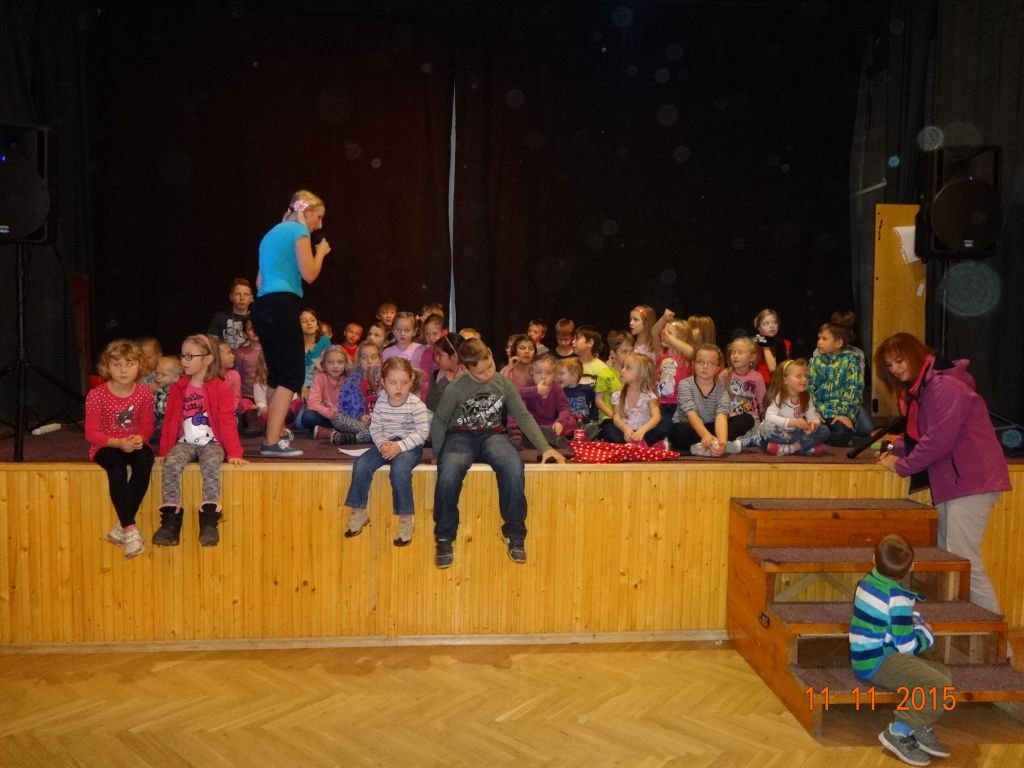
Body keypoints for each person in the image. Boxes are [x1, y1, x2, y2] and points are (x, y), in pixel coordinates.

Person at [874, 332, 1011, 615]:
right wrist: (893, 448)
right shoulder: (925, 388)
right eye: (889, 365)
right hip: (955, 483)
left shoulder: (943, 385)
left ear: (915, 355)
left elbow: (938, 440)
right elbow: (923, 436)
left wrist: (900, 466)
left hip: (972, 481)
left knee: (964, 563)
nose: (895, 369)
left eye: (899, 360)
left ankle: (996, 635)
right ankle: (964, 630)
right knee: (952, 560)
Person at [430, 338, 566, 568]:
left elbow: (523, 416)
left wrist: (545, 447)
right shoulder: (456, 388)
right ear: (466, 368)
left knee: (513, 464)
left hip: (491, 435)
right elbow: (439, 421)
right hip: (459, 436)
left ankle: (515, 533)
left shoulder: (502, 382)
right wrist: (438, 452)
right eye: (480, 372)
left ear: (491, 354)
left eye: (490, 366)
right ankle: (444, 536)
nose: (488, 374)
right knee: (449, 470)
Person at [849, 534, 952, 765]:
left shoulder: (868, 583)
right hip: (879, 661)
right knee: (939, 684)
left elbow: (886, 617)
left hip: (865, 656)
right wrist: (926, 633)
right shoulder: (897, 598)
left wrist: (909, 618)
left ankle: (917, 724)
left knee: (943, 673)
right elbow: (908, 647)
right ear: (912, 567)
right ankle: (898, 730)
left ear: (873, 559)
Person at [253, 189, 330, 457]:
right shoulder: (298, 231)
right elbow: (309, 274)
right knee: (292, 375)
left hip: (263, 306)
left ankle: (274, 433)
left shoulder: (271, 233)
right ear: (305, 211)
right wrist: (320, 253)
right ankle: (271, 441)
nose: (319, 224)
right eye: (318, 217)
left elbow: (260, 282)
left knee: (277, 374)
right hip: (282, 305)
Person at [155, 333, 246, 547]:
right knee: (172, 464)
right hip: (185, 443)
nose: (184, 361)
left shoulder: (219, 387)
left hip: (211, 443)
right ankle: (170, 523)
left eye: (190, 356)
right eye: (183, 356)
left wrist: (234, 453)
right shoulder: (179, 387)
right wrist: (164, 451)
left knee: (211, 464)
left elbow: (227, 422)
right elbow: (170, 421)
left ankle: (209, 522)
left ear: (207, 359)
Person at [343, 358, 430, 546]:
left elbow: (422, 433)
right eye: (392, 382)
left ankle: (406, 520)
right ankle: (358, 512)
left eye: (404, 383)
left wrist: (399, 447)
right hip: (386, 444)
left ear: (411, 381)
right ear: (383, 382)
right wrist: (382, 444)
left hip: (409, 446)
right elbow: (375, 428)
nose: (398, 388)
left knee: (399, 470)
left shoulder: (416, 404)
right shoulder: (381, 401)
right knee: (361, 464)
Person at [85, 339, 155, 559]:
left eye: (130, 364)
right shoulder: (96, 395)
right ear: (107, 366)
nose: (123, 370)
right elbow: (91, 433)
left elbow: (147, 426)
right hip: (106, 445)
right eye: (117, 365)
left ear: (139, 366)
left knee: (145, 462)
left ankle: (121, 526)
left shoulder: (144, 393)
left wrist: (139, 438)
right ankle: (130, 529)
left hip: (133, 443)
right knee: (116, 470)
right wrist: (117, 443)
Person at [670, 344, 754, 456]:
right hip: (691, 427)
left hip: (712, 428)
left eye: (711, 363)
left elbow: (721, 417)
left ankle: (713, 446)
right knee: (679, 430)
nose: (705, 366)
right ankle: (711, 444)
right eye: (700, 362)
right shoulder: (685, 384)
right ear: (693, 364)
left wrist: (721, 443)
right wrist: (706, 436)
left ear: (718, 368)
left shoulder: (722, 391)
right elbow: (691, 414)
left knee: (747, 419)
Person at [807, 321, 864, 447]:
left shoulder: (850, 360)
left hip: (839, 413)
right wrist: (813, 412)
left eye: (824, 339)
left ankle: (825, 439)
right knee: (806, 428)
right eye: (819, 338)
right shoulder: (815, 362)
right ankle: (821, 438)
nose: (819, 342)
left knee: (842, 433)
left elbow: (853, 389)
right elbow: (810, 388)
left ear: (838, 343)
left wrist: (843, 414)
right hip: (819, 413)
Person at [759, 358, 830, 455]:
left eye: (805, 376)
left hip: (799, 433)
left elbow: (813, 417)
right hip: (782, 433)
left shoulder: (807, 396)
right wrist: (791, 422)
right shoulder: (780, 396)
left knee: (824, 430)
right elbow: (769, 417)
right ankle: (807, 447)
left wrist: (813, 424)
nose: (804, 379)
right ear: (785, 380)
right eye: (799, 376)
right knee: (765, 427)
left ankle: (791, 448)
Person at [598, 353, 661, 445]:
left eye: (628, 368)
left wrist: (642, 430)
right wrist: (625, 429)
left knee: (663, 426)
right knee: (609, 430)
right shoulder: (618, 395)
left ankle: (639, 443)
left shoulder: (649, 395)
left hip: (643, 432)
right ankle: (637, 444)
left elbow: (656, 417)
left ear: (641, 374)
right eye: (623, 367)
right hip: (624, 431)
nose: (622, 370)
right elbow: (616, 417)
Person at [515, 353, 574, 449]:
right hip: (533, 425)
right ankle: (554, 440)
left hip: (551, 426)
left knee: (571, 420)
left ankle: (555, 439)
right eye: (539, 372)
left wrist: (560, 422)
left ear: (554, 375)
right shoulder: (528, 385)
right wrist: (536, 390)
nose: (543, 377)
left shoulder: (556, 388)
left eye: (549, 373)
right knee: (517, 413)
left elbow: (565, 409)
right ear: (532, 373)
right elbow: (515, 393)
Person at [719, 337, 765, 449]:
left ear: (752, 357)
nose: (735, 356)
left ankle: (737, 443)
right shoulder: (724, 375)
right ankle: (735, 443)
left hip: (752, 420)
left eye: (740, 353)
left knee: (759, 436)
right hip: (731, 420)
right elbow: (718, 400)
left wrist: (764, 420)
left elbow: (762, 402)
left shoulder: (757, 376)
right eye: (733, 352)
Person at [331, 341, 380, 445]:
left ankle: (352, 438)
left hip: (380, 424)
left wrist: (376, 419)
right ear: (358, 361)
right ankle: (368, 435)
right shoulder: (351, 382)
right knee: (337, 418)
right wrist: (359, 417)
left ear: (380, 359)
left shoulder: (384, 381)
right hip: (359, 423)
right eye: (364, 358)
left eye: (373, 357)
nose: (369, 361)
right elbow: (344, 408)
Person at [296, 345, 350, 437]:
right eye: (330, 362)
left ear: (345, 364)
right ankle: (335, 431)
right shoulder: (319, 377)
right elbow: (313, 403)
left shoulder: (348, 380)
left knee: (353, 418)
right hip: (323, 414)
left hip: (341, 416)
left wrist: (337, 414)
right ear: (324, 364)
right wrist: (331, 414)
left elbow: (350, 405)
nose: (335, 366)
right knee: (306, 418)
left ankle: (326, 431)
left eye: (340, 362)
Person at [572, 326, 620, 425]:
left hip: (595, 420)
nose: (573, 342)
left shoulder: (602, 368)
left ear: (590, 343)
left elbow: (607, 398)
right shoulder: (570, 366)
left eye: (577, 339)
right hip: (572, 417)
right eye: (573, 339)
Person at [208, 277, 254, 349]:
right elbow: (211, 347)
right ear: (231, 297)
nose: (242, 298)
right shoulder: (219, 317)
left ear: (251, 298)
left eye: (246, 294)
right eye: (237, 294)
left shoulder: (257, 319)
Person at [557, 357, 597, 438]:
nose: (558, 377)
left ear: (574, 376)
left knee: (590, 428)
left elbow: (595, 404)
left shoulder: (587, 390)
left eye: (562, 374)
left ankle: (587, 436)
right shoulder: (560, 391)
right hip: (567, 424)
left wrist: (594, 418)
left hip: (584, 423)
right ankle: (562, 440)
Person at [753, 308, 791, 386]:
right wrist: (763, 342)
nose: (771, 326)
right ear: (759, 328)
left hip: (778, 383)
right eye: (766, 323)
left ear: (778, 325)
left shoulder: (785, 343)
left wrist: (765, 345)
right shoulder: (755, 344)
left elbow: (775, 368)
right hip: (760, 383)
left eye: (775, 322)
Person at [151, 355, 183, 444]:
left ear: (175, 377)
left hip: (168, 425)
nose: (158, 377)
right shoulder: (157, 389)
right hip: (156, 423)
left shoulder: (178, 394)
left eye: (163, 375)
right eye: (157, 373)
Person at [300, 308, 332, 394]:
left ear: (317, 325)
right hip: (299, 387)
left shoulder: (324, 341)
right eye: (303, 321)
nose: (309, 323)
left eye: (312, 320)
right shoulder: (294, 344)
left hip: (321, 387)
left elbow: (330, 368)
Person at [426, 332, 460, 412]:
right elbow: (430, 406)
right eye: (435, 354)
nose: (436, 358)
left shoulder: (470, 376)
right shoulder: (436, 375)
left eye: (440, 355)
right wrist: (443, 383)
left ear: (454, 356)